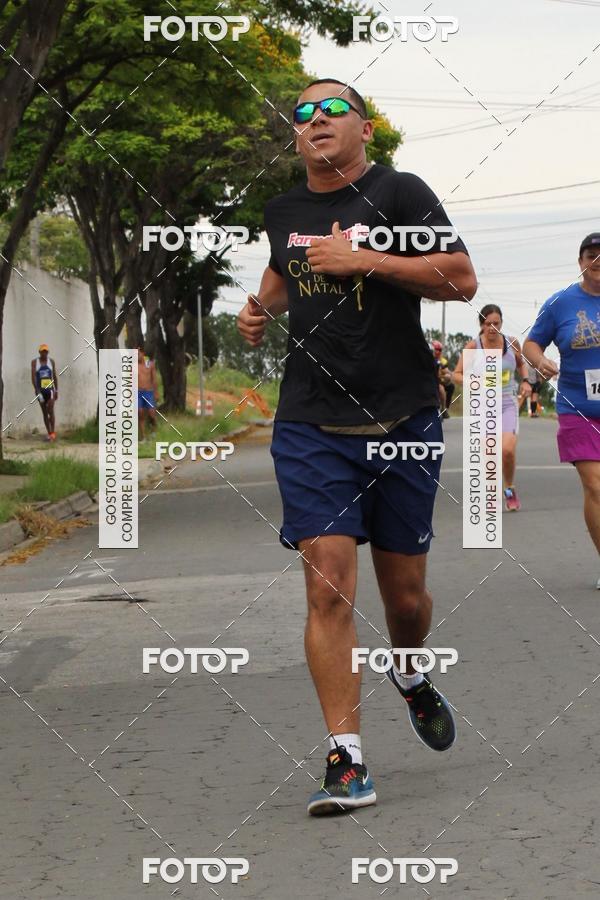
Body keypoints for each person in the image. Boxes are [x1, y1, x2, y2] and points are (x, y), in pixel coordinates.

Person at [237, 77, 477, 815]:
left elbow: (461, 280)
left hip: (402, 417)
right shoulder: (283, 211)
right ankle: (348, 761)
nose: (315, 120)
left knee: (405, 599)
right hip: (311, 423)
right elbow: (285, 270)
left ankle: (409, 668)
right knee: (327, 584)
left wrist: (365, 260)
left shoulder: (400, 194)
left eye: (331, 109)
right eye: (302, 113)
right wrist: (257, 307)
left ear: (364, 128)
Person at [524, 232, 600, 588]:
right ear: (580, 262)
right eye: (590, 255)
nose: (597, 261)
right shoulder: (560, 303)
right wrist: (539, 361)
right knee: (595, 486)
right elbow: (532, 343)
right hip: (577, 408)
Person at [453, 305, 531, 511]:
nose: (492, 328)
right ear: (481, 325)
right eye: (488, 324)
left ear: (501, 323)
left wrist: (525, 381)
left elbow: (521, 364)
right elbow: (456, 374)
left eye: (496, 323)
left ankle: (509, 489)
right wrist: (472, 381)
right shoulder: (473, 347)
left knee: (507, 451)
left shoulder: (511, 343)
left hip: (507, 404)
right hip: (483, 406)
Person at [31, 343, 58, 441]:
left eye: (46, 351)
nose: (44, 353)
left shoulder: (51, 362)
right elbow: (33, 377)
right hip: (40, 391)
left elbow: (54, 376)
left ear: (48, 352)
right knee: (45, 412)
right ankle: (49, 432)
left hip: (50, 390)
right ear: (39, 352)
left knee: (51, 409)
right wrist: (36, 390)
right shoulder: (35, 362)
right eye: (42, 351)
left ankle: (53, 432)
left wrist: (56, 390)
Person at [137, 348, 158, 439]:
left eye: (138, 354)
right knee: (140, 412)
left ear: (143, 353)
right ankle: (143, 436)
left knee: (151, 412)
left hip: (149, 392)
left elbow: (154, 379)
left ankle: (154, 431)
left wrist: (156, 393)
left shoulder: (149, 364)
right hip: (138, 393)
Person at [431, 339, 455, 418]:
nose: (438, 351)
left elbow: (446, 371)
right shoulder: (430, 359)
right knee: (441, 389)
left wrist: (450, 375)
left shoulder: (443, 361)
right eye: (436, 349)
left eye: (440, 350)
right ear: (433, 350)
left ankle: (445, 409)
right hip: (432, 381)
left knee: (451, 386)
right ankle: (441, 408)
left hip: (440, 380)